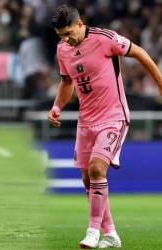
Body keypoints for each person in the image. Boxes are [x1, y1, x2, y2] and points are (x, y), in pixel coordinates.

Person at [48, 4, 162, 249]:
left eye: (69, 33)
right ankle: (111, 234)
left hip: (113, 116)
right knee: (88, 178)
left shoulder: (105, 38)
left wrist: (160, 84)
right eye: (61, 36)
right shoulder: (62, 49)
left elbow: (140, 52)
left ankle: (92, 232)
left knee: (97, 168)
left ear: (80, 24)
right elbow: (67, 81)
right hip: (85, 121)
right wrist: (57, 106)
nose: (66, 39)